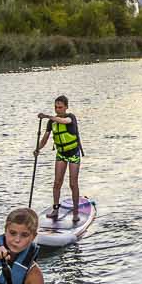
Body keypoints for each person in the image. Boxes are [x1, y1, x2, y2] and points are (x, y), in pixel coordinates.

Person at [36, 96, 84, 224]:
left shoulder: (71, 117)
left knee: (73, 184)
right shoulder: (51, 122)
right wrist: (38, 149)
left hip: (74, 153)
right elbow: (45, 138)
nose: (58, 110)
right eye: (56, 107)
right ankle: (56, 210)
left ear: (66, 107)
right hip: (61, 154)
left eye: (60, 107)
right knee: (57, 183)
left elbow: (64, 121)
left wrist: (47, 116)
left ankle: (75, 212)